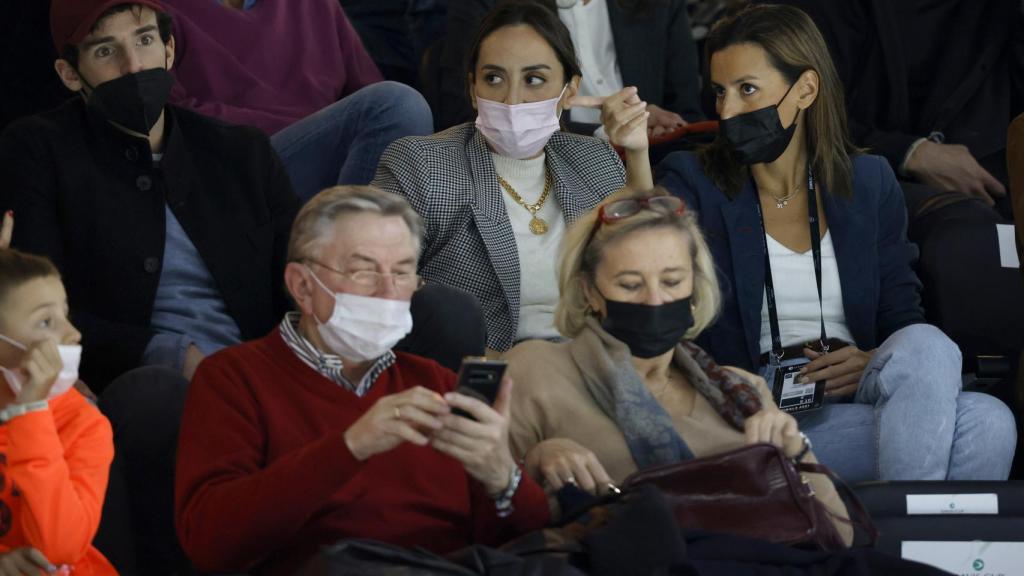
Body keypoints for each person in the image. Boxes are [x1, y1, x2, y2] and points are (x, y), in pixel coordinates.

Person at [0, 0, 481, 391]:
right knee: (153, 395)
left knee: (446, 312)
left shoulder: (238, 151)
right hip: (148, 377)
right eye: (106, 51)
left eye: (144, 41)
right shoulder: (39, 150)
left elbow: (301, 271)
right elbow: (43, 307)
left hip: (270, 359)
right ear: (69, 74)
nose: (133, 66)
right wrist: (166, 353)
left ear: (169, 51)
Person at [655, 4, 1016, 482]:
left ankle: (894, 536)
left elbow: (901, 316)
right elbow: (651, 255)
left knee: (935, 352)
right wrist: (638, 157)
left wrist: (868, 361)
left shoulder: (869, 182)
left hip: (860, 384)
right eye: (720, 92)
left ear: (805, 89)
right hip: (760, 404)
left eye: (747, 90)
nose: (727, 111)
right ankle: (912, 542)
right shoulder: (693, 180)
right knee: (987, 424)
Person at [175, 186, 549, 575]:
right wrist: (350, 446)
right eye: (364, 270)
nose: (389, 292)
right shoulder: (233, 378)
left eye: (402, 272)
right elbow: (211, 542)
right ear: (302, 286)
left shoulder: (435, 381)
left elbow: (524, 543)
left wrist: (502, 477)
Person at [505, 187, 853, 545]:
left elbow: (840, 533)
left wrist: (794, 450)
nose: (655, 299)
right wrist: (530, 465)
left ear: (694, 290)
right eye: (630, 284)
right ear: (590, 292)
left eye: (672, 282)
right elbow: (481, 523)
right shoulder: (536, 371)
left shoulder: (742, 392)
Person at [374, 0, 652, 354]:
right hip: (481, 371)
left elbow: (646, 264)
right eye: (494, 78)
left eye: (534, 80)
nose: (513, 100)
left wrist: (637, 152)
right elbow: (379, 286)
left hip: (595, 361)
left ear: (570, 90)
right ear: (472, 87)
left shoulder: (593, 159)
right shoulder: (421, 164)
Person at [160, 0, 434, 201]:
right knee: (399, 105)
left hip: (332, 165)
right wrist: (314, 128)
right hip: (235, 168)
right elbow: (168, 115)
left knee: (427, 142)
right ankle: (348, 259)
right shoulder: (151, 10)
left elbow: (369, 92)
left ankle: (359, 257)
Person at [0, 248, 117, 575]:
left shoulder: (85, 424)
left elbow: (58, 547)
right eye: (46, 321)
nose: (72, 333)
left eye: (65, 314)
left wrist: (30, 412)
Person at [435, 0, 703, 135]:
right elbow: (464, 117)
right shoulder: (487, 5)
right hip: (537, 168)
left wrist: (656, 128)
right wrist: (606, 133)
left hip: (656, 164)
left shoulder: (660, 5)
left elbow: (687, 112)